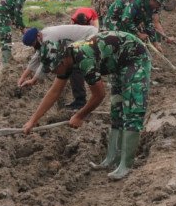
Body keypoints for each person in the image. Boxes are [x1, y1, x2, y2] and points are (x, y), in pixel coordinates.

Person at [22, 31, 151, 180]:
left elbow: (99, 95)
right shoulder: (66, 58)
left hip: (135, 58)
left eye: (54, 69)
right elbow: (54, 92)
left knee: (132, 108)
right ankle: (111, 159)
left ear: (62, 61)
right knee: (117, 110)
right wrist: (32, 120)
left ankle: (126, 165)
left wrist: (79, 115)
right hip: (118, 64)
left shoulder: (84, 57)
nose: (53, 72)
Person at [18, 24, 98, 109]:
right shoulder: (42, 37)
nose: (33, 46)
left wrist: (34, 80)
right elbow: (37, 57)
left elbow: (45, 62)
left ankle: (80, 101)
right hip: (82, 39)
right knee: (71, 64)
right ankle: (80, 99)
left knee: (74, 66)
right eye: (31, 45)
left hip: (90, 37)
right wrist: (22, 77)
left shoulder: (49, 37)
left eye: (33, 43)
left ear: (38, 35)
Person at [103, 0, 174, 51]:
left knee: (139, 36)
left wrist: (155, 43)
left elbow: (149, 24)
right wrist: (139, 34)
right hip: (114, 19)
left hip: (129, 19)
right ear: (153, 0)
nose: (158, 7)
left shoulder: (151, 7)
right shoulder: (136, 1)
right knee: (124, 40)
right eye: (158, 4)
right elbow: (126, 20)